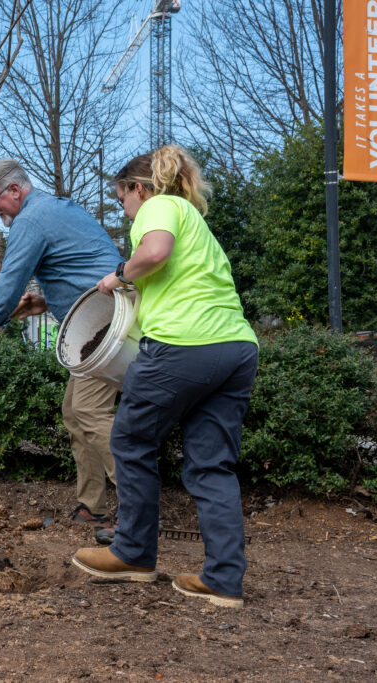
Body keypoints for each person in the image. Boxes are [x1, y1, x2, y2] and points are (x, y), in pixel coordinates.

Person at [70, 145, 259, 609]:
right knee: (211, 465)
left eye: (122, 200)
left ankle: (133, 554)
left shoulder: (159, 206)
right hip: (236, 348)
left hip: (183, 346)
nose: (125, 210)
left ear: (138, 188)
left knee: (131, 441)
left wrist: (119, 274)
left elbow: (154, 252)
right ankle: (223, 580)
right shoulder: (196, 222)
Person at [0, 159, 122, 535]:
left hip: (101, 321)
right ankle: (93, 508)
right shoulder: (58, 206)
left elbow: (7, 286)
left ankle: (140, 510)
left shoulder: (30, 219)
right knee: (76, 413)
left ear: (14, 190)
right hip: (99, 315)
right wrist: (46, 302)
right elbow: (80, 264)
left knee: (90, 411)